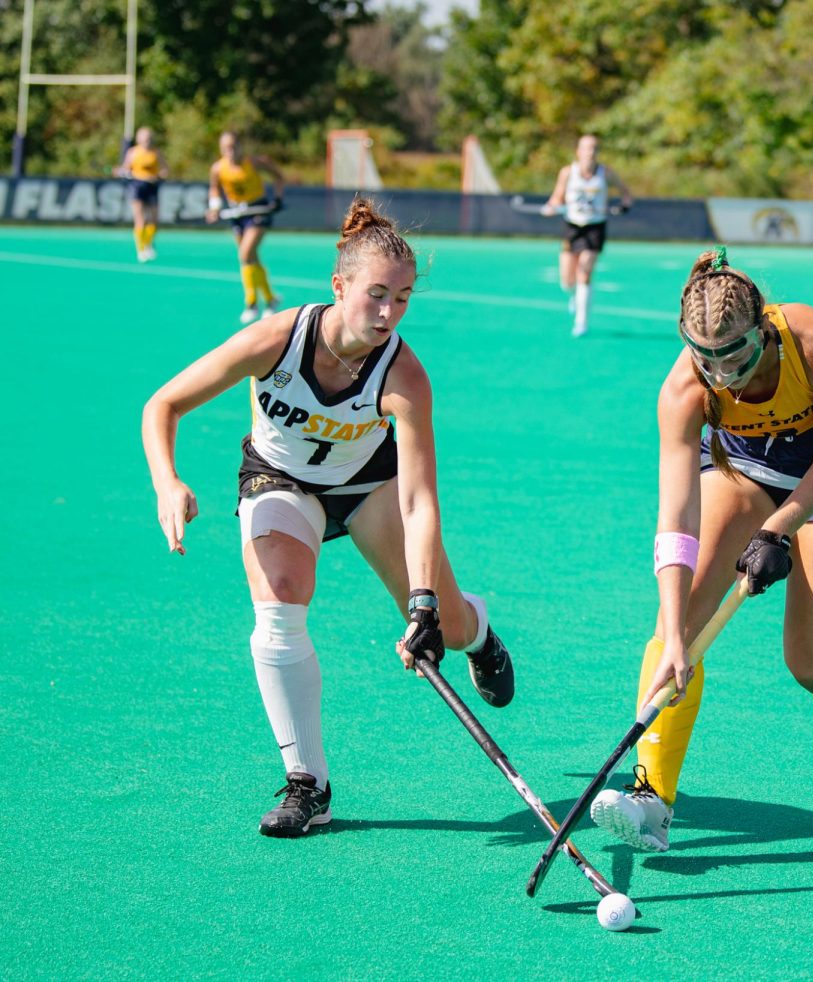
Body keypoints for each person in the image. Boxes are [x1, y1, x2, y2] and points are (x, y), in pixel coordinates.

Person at [142, 197, 516, 838]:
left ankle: (477, 630)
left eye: (401, 299)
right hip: (278, 478)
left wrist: (425, 606)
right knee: (281, 597)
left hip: (369, 488)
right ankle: (307, 783)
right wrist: (167, 482)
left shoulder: (403, 376)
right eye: (375, 295)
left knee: (445, 628)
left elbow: (420, 499)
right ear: (338, 286)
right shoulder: (275, 340)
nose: (387, 313)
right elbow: (164, 405)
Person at [589, 247, 813, 853]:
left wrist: (778, 531)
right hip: (748, 470)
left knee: (811, 662)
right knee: (677, 619)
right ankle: (651, 800)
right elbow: (675, 516)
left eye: (733, 355)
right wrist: (675, 634)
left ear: (763, 327)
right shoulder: (685, 389)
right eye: (702, 355)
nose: (718, 373)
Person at [542, 134, 633, 338]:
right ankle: (574, 296)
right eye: (586, 148)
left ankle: (581, 322)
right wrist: (551, 206)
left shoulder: (606, 173)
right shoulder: (568, 172)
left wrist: (623, 206)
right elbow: (557, 196)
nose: (590, 152)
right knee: (567, 281)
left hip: (595, 227)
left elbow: (626, 194)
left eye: (594, 148)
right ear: (578, 151)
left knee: (585, 270)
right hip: (572, 226)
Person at [207, 131, 286, 324]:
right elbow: (215, 188)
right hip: (238, 215)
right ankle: (270, 299)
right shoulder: (217, 168)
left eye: (234, 146)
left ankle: (251, 303)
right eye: (226, 147)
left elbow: (278, 176)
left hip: (257, 211)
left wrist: (277, 199)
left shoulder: (253, 162)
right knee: (251, 258)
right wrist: (215, 207)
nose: (230, 151)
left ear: (241, 146)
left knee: (245, 254)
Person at [114, 126, 168, 262]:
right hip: (136, 187)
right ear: (139, 140)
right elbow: (126, 170)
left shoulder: (156, 153)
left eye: (149, 139)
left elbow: (165, 170)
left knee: (154, 220)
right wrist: (120, 171)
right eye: (144, 139)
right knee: (140, 219)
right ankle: (141, 249)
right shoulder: (132, 153)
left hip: (152, 187)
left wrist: (157, 176)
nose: (147, 142)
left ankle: (148, 244)